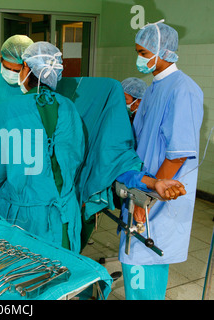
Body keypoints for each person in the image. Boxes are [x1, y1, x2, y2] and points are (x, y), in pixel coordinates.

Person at [120, 20, 204, 300]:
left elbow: (177, 154)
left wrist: (146, 196)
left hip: (157, 197)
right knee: (134, 262)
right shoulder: (154, 87)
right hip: (143, 189)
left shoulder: (183, 89)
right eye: (139, 52)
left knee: (144, 265)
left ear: (163, 51)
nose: (139, 59)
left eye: (144, 53)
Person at [0, 42, 86, 252]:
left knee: (26, 277)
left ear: (26, 68)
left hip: (25, 219)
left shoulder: (8, 110)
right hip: (64, 214)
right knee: (64, 274)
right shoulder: (70, 108)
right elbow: (76, 157)